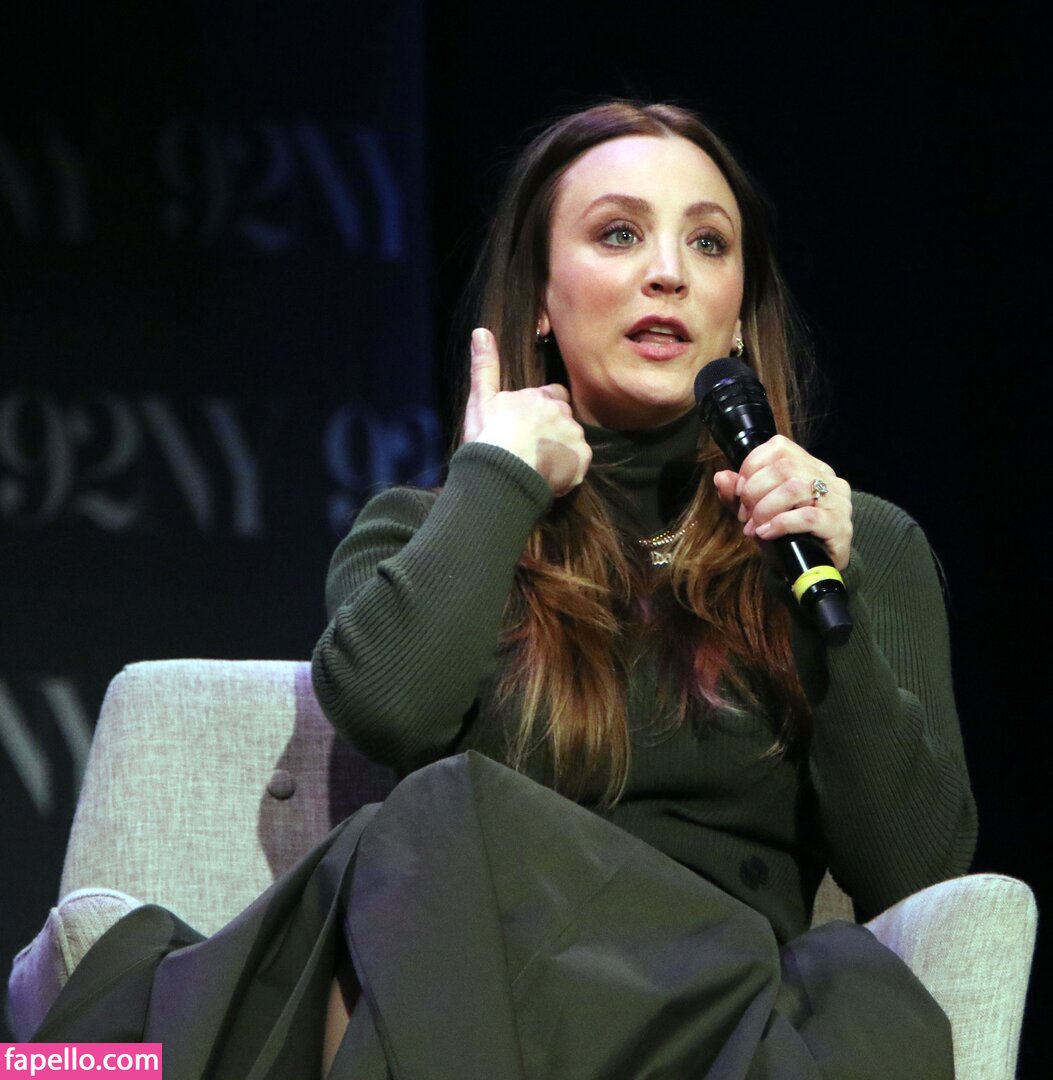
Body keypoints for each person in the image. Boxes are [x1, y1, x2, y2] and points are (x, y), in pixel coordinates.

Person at [34, 101, 975, 1079]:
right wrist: (497, 478)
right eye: (619, 234)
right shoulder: (436, 529)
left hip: (712, 1018)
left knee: (428, 835)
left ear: (737, 315)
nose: (668, 272)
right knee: (440, 817)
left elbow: (917, 871)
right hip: (481, 992)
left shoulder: (852, 542)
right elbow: (387, 711)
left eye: (707, 242)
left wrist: (828, 611)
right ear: (539, 303)